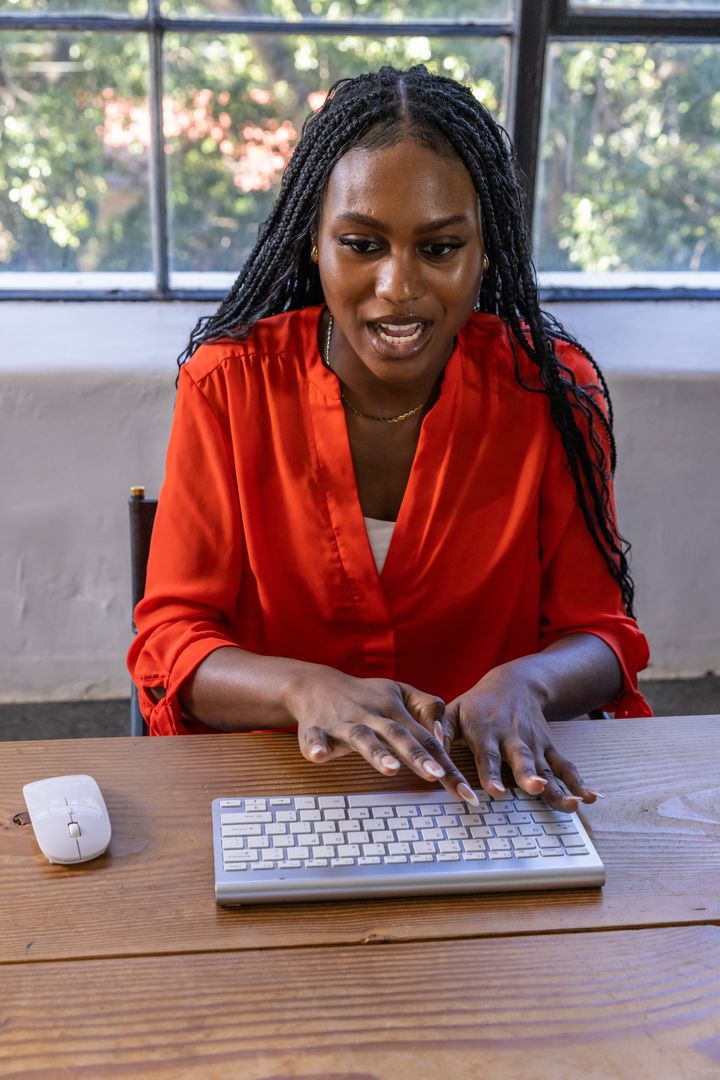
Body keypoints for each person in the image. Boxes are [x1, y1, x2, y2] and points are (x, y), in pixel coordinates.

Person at [128, 64, 651, 813]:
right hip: (278, 787)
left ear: (485, 251)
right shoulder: (229, 385)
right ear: (314, 242)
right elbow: (174, 639)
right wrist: (303, 689)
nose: (399, 286)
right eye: (362, 243)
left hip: (488, 788)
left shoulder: (552, 393)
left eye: (439, 248)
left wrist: (526, 683)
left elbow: (600, 633)